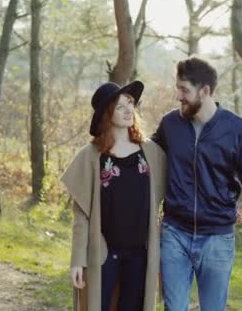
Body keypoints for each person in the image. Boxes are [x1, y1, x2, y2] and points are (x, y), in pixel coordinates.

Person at [152, 57, 242, 310]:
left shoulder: (237, 130)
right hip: (175, 234)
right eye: (178, 88)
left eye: (184, 89)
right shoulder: (170, 125)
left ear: (205, 91)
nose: (178, 96)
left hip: (217, 239)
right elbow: (144, 160)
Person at [61, 81, 167, 311]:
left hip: (141, 253)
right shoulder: (91, 156)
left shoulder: (151, 153)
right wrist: (77, 260)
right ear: (107, 115)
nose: (129, 110)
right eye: (120, 107)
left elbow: (179, 189)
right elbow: (81, 216)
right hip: (104, 253)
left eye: (130, 103)